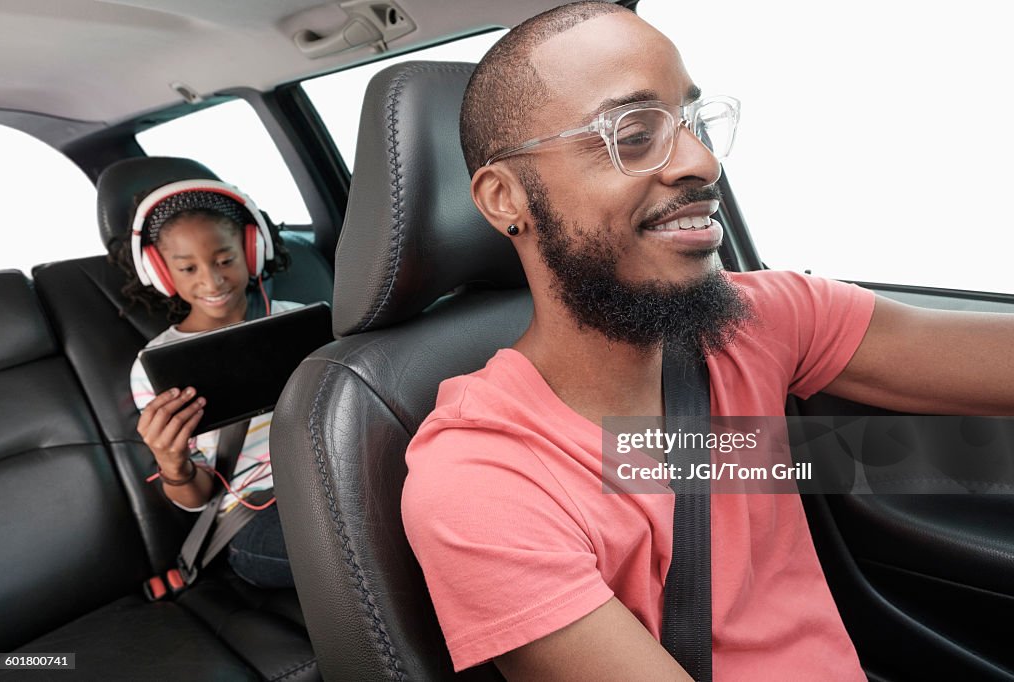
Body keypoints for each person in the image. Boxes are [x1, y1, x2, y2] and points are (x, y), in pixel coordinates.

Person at [400, 3, 1014, 680]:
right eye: (633, 134)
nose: (702, 162)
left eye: (692, 123)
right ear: (503, 198)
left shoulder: (758, 321)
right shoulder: (483, 481)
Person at [111, 178, 298, 589]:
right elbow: (198, 498)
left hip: (333, 475)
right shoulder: (154, 368)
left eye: (225, 259)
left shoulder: (299, 320)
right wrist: (172, 462)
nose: (212, 282)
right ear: (161, 273)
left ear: (253, 251)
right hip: (254, 516)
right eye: (188, 268)